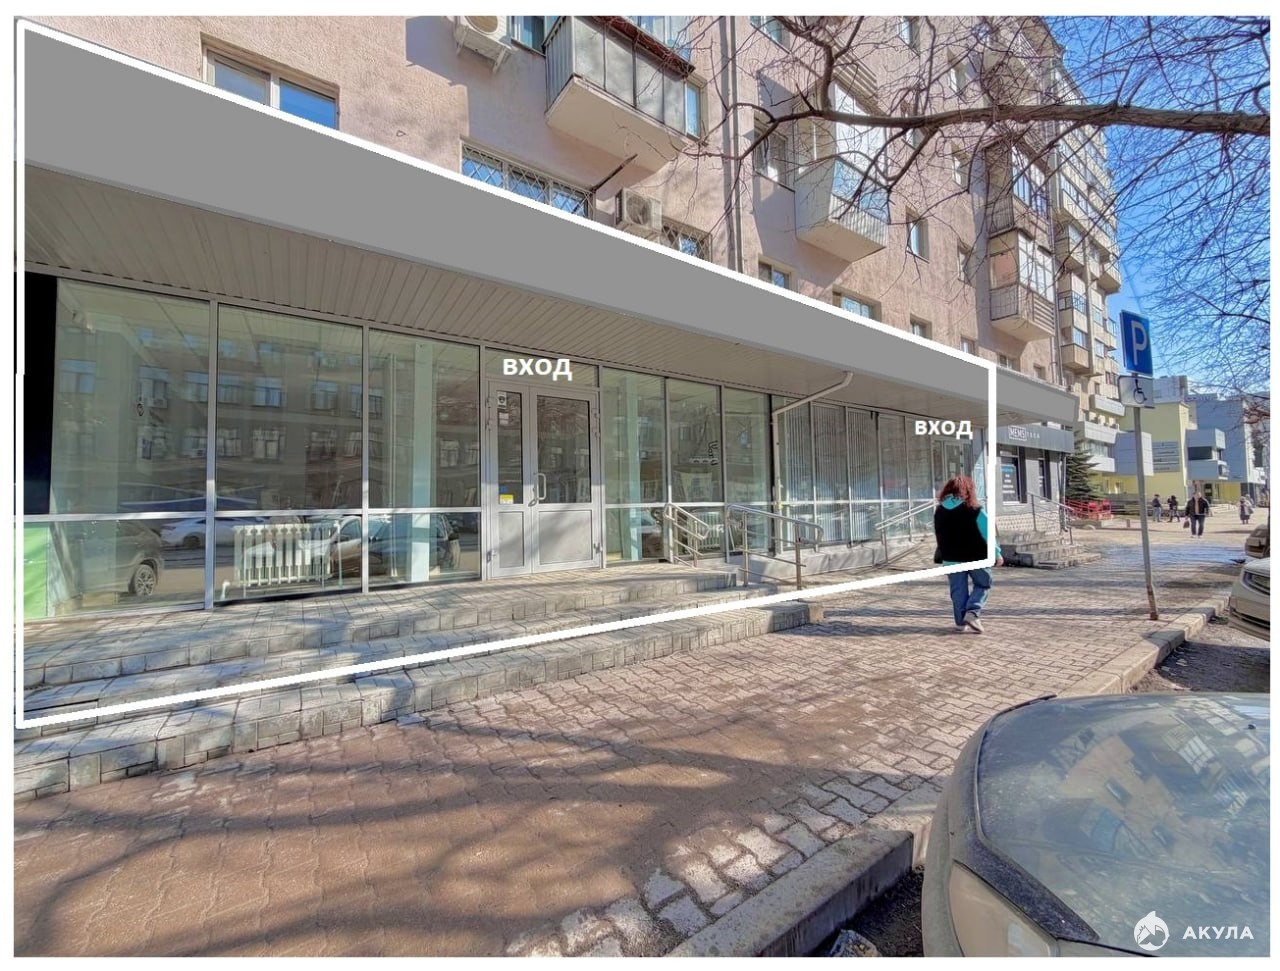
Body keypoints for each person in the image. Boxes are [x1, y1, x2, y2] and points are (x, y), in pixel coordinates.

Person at [934, 475, 1004, 634]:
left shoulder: (939, 511)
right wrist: (997, 553)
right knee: (983, 584)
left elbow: (939, 535)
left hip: (951, 559)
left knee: (958, 591)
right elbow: (988, 534)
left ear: (947, 490)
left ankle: (960, 623)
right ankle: (972, 612)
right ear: (968, 490)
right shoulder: (975, 510)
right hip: (977, 557)